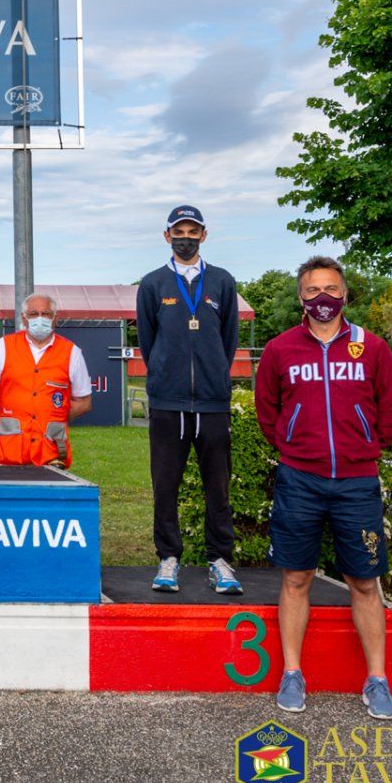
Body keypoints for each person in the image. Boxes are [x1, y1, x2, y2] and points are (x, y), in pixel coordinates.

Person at [254, 256, 392, 721]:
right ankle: (292, 673)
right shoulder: (280, 349)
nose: (324, 297)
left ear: (345, 295)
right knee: (296, 577)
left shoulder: (372, 347)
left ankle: (376, 679)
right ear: (301, 296)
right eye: (314, 289)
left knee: (364, 580)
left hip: (357, 482)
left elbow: (391, 407)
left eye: (332, 289)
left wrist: (367, 446)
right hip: (300, 480)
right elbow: (267, 410)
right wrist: (293, 445)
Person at [135, 205, 243, 595]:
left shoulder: (222, 281)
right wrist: (166, 375)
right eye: (178, 232)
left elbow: (227, 340)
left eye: (192, 231)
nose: (185, 238)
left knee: (218, 486)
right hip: (168, 403)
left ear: (203, 235)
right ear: (167, 236)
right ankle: (168, 557)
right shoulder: (152, 284)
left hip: (212, 403)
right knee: (166, 485)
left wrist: (214, 375)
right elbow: (148, 342)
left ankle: (220, 561)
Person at [0, 292, 91, 467]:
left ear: (55, 318)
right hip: (7, 454)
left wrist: (53, 415)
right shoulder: (3, 347)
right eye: (34, 314)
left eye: (46, 314)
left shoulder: (72, 352)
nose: (40, 318)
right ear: (24, 318)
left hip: (52, 455)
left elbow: (84, 402)